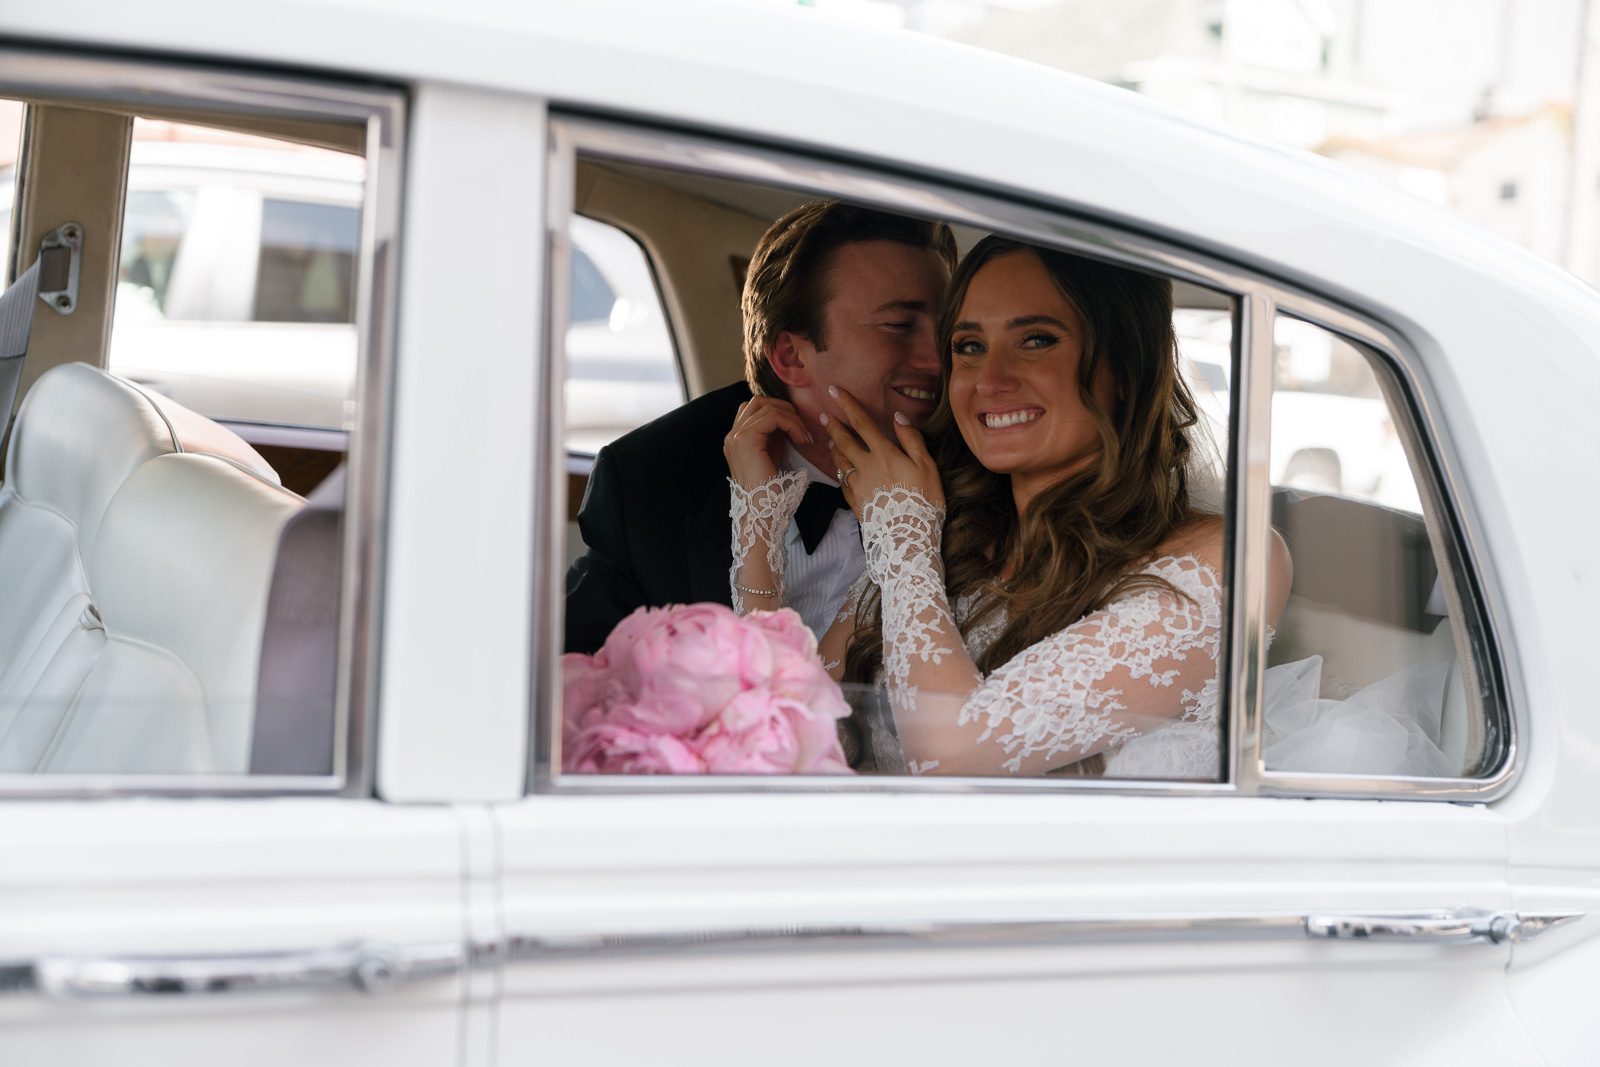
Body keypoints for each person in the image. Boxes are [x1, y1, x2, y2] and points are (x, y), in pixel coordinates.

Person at [729, 236, 1292, 777]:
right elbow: (781, 727)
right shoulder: (946, 541)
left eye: (1037, 340)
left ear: (1125, 364)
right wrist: (759, 523)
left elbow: (952, 756)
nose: (989, 380)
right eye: (969, 347)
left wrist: (901, 534)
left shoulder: (1225, 559)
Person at [564, 200, 956, 654]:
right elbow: (577, 683)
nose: (939, 358)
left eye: (947, 327)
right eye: (899, 326)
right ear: (791, 357)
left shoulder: (991, 473)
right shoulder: (652, 480)